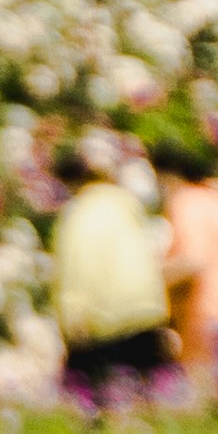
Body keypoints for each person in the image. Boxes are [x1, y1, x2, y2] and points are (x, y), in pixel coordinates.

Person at [50, 143, 174, 400]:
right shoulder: (125, 206)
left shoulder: (80, 213)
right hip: (146, 312)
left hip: (108, 319)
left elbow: (79, 266)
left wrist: (73, 319)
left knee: (102, 400)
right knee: (148, 399)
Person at [155, 134, 218, 388]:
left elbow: (192, 260)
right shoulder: (214, 199)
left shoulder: (186, 201)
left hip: (201, 318)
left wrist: (145, 282)